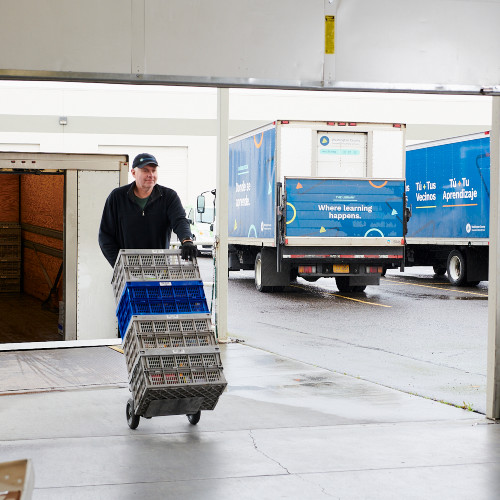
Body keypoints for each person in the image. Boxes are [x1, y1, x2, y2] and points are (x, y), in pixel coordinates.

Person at [98, 152, 197, 267]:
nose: (151, 174)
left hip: (160, 270)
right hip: (128, 271)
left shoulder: (169, 197)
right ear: (133, 173)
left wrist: (187, 240)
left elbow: (179, 220)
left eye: (153, 170)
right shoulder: (117, 197)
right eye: (145, 170)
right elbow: (105, 237)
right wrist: (119, 265)